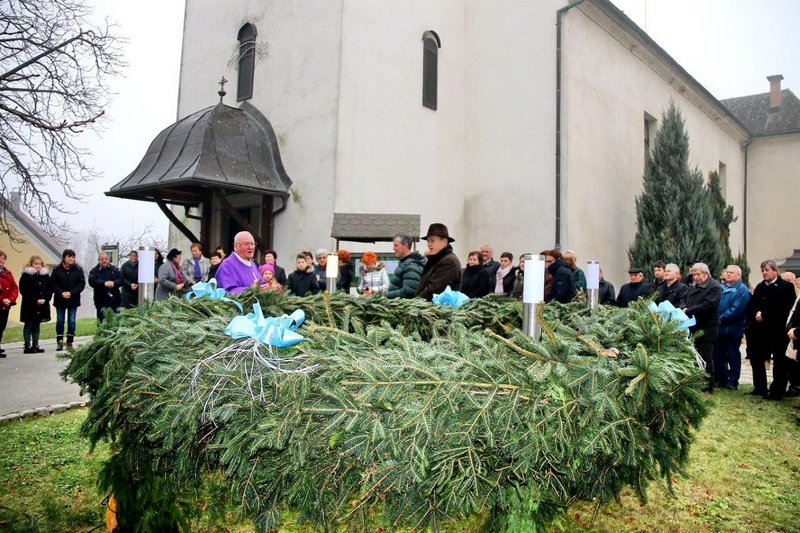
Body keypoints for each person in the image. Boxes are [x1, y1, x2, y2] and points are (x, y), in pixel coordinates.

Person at [745, 260, 796, 399]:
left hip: (777, 330)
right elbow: (753, 303)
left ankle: (777, 391)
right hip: (759, 330)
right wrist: (756, 313)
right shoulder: (761, 287)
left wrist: (765, 315)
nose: (764, 272)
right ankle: (759, 387)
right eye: (762, 270)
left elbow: (785, 308)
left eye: (766, 270)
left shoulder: (786, 287)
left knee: (779, 362)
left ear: (775, 271)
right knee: (757, 359)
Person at [683, 263, 722, 392]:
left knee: (706, 357)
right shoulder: (693, 286)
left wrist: (689, 310)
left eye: (697, 274)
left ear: (706, 274)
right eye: (693, 274)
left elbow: (708, 305)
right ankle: (696, 383)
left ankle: (707, 386)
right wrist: (684, 307)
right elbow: (685, 299)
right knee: (695, 357)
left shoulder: (714, 286)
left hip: (707, 328)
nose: (695, 277)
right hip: (693, 326)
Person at [713, 265, 751, 390]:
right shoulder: (721, 288)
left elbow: (736, 309)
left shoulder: (742, 290)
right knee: (718, 354)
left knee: (732, 354)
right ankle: (721, 379)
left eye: (731, 273)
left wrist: (721, 318)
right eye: (727, 272)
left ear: (738, 276)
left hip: (733, 328)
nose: (728, 274)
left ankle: (733, 380)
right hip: (719, 329)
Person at [50, 249, 85, 352]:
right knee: (60, 321)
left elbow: (81, 284)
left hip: (73, 299)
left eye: (73, 257)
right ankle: (60, 342)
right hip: (60, 299)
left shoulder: (78, 269)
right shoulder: (56, 269)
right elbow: (53, 283)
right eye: (69, 257)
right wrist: (61, 292)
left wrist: (72, 293)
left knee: (72, 321)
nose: (71, 259)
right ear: (64, 258)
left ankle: (69, 342)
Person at [416, 223, 461, 301]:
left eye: (432, 241)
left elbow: (433, 291)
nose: (428, 244)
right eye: (428, 241)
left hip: (439, 311)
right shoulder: (438, 260)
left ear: (444, 241)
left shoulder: (448, 262)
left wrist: (413, 304)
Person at [19, 255, 52, 353]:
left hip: (42, 305)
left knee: (37, 325)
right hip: (29, 305)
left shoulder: (45, 276)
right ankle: (27, 345)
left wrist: (45, 299)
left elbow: (49, 289)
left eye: (39, 264)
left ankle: (36, 344)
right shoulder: (26, 276)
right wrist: (35, 300)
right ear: (31, 264)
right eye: (35, 264)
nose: (38, 266)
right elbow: (24, 290)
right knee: (29, 324)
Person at [387, 234, 425, 299]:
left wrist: (385, 295)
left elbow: (408, 292)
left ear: (405, 245)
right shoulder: (405, 263)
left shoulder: (411, 266)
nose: (393, 248)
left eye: (396, 245)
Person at [88, 252, 122, 321]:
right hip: (101, 301)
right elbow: (91, 281)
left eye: (106, 259)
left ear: (109, 260)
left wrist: (113, 283)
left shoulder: (115, 270)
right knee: (101, 321)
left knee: (116, 320)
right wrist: (104, 283)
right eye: (102, 259)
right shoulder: (94, 271)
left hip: (114, 300)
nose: (104, 260)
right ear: (98, 260)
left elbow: (121, 280)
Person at [0, 250, 19, 356]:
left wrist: (11, 300)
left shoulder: (8, 273)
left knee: (1, 326)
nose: (1, 260)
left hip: (6, 305)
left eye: (3, 258)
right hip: (1, 302)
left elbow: (14, 288)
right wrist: (2, 299)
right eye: (0, 258)